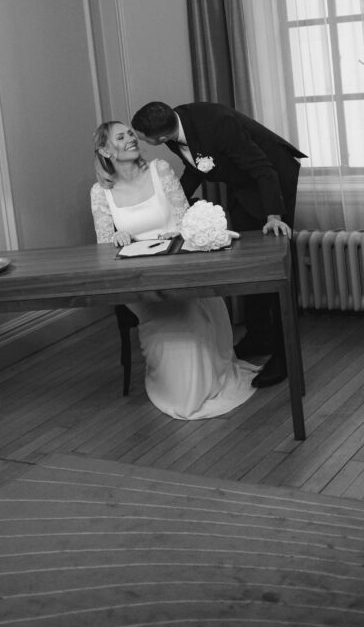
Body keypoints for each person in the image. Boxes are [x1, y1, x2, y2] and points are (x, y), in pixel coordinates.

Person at [90, 120, 260, 420]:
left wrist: (176, 234)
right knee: (170, 319)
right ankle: (176, 389)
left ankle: (207, 383)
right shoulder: (100, 192)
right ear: (105, 150)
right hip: (138, 279)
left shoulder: (160, 171)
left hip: (179, 266)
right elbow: (105, 247)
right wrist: (116, 238)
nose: (131, 138)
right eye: (121, 136)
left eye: (131, 133)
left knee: (192, 315)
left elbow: (184, 218)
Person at [131, 100, 306, 389]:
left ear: (160, 137)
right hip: (243, 183)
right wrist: (174, 204)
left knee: (271, 262)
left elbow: (262, 168)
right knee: (245, 262)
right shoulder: (175, 127)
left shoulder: (218, 124)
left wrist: (274, 215)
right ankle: (259, 335)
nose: (141, 141)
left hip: (272, 178)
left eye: (142, 137)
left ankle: (285, 355)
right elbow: (197, 168)